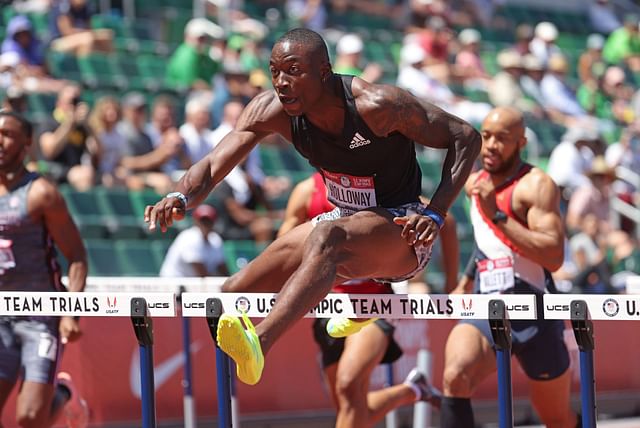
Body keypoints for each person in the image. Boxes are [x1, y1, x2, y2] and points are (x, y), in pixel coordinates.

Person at [145, 28, 481, 387]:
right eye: (274, 71)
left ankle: (260, 341)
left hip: (401, 228)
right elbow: (213, 165)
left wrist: (436, 211)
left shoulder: (377, 106)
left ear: (324, 70)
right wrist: (181, 197)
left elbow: (465, 137)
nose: (281, 82)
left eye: (292, 70)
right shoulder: (272, 110)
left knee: (328, 236)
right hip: (343, 221)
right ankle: (361, 299)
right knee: (234, 293)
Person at [440, 107, 578, 428]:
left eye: (502, 139)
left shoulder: (537, 185)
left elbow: (553, 256)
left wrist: (497, 214)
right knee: (455, 375)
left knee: (556, 418)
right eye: (486, 136)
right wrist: (467, 278)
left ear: (521, 143)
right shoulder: (475, 183)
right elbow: (485, 241)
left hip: (535, 309)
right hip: (489, 303)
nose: (490, 146)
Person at [277, 171, 444, 426]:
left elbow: (445, 221)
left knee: (348, 384)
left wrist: (448, 280)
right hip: (328, 307)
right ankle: (412, 390)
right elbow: (284, 250)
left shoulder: (376, 185)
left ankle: (413, 389)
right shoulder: (306, 192)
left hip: (373, 305)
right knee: (350, 406)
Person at [0, 110, 89, 427]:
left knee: (29, 418)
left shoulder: (41, 193)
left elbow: (76, 255)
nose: (0, 140)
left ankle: (64, 394)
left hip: (40, 315)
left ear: (26, 143)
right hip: (0, 317)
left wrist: (70, 313)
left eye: (8, 134)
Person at [39, 83, 100, 191]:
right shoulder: (49, 122)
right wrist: (69, 123)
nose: (74, 106)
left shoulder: (82, 126)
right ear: (59, 103)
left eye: (77, 101)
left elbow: (98, 153)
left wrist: (88, 126)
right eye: (71, 101)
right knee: (84, 175)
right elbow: (49, 151)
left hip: (75, 169)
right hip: (52, 168)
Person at [160, 204, 229, 277]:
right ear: (196, 221)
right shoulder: (190, 237)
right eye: (202, 220)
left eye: (208, 221)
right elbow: (202, 274)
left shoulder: (215, 239)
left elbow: (223, 269)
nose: (205, 224)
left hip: (192, 284)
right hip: (172, 283)